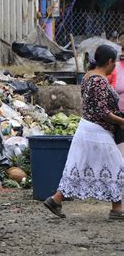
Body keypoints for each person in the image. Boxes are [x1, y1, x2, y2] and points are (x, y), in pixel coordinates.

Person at [43, 45, 124, 220]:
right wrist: (122, 121)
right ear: (109, 61)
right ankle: (117, 209)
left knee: (78, 167)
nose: (115, 66)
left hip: (88, 129)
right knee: (117, 166)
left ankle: (55, 200)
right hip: (97, 132)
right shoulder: (99, 81)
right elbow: (103, 112)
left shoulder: (88, 77)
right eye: (114, 62)